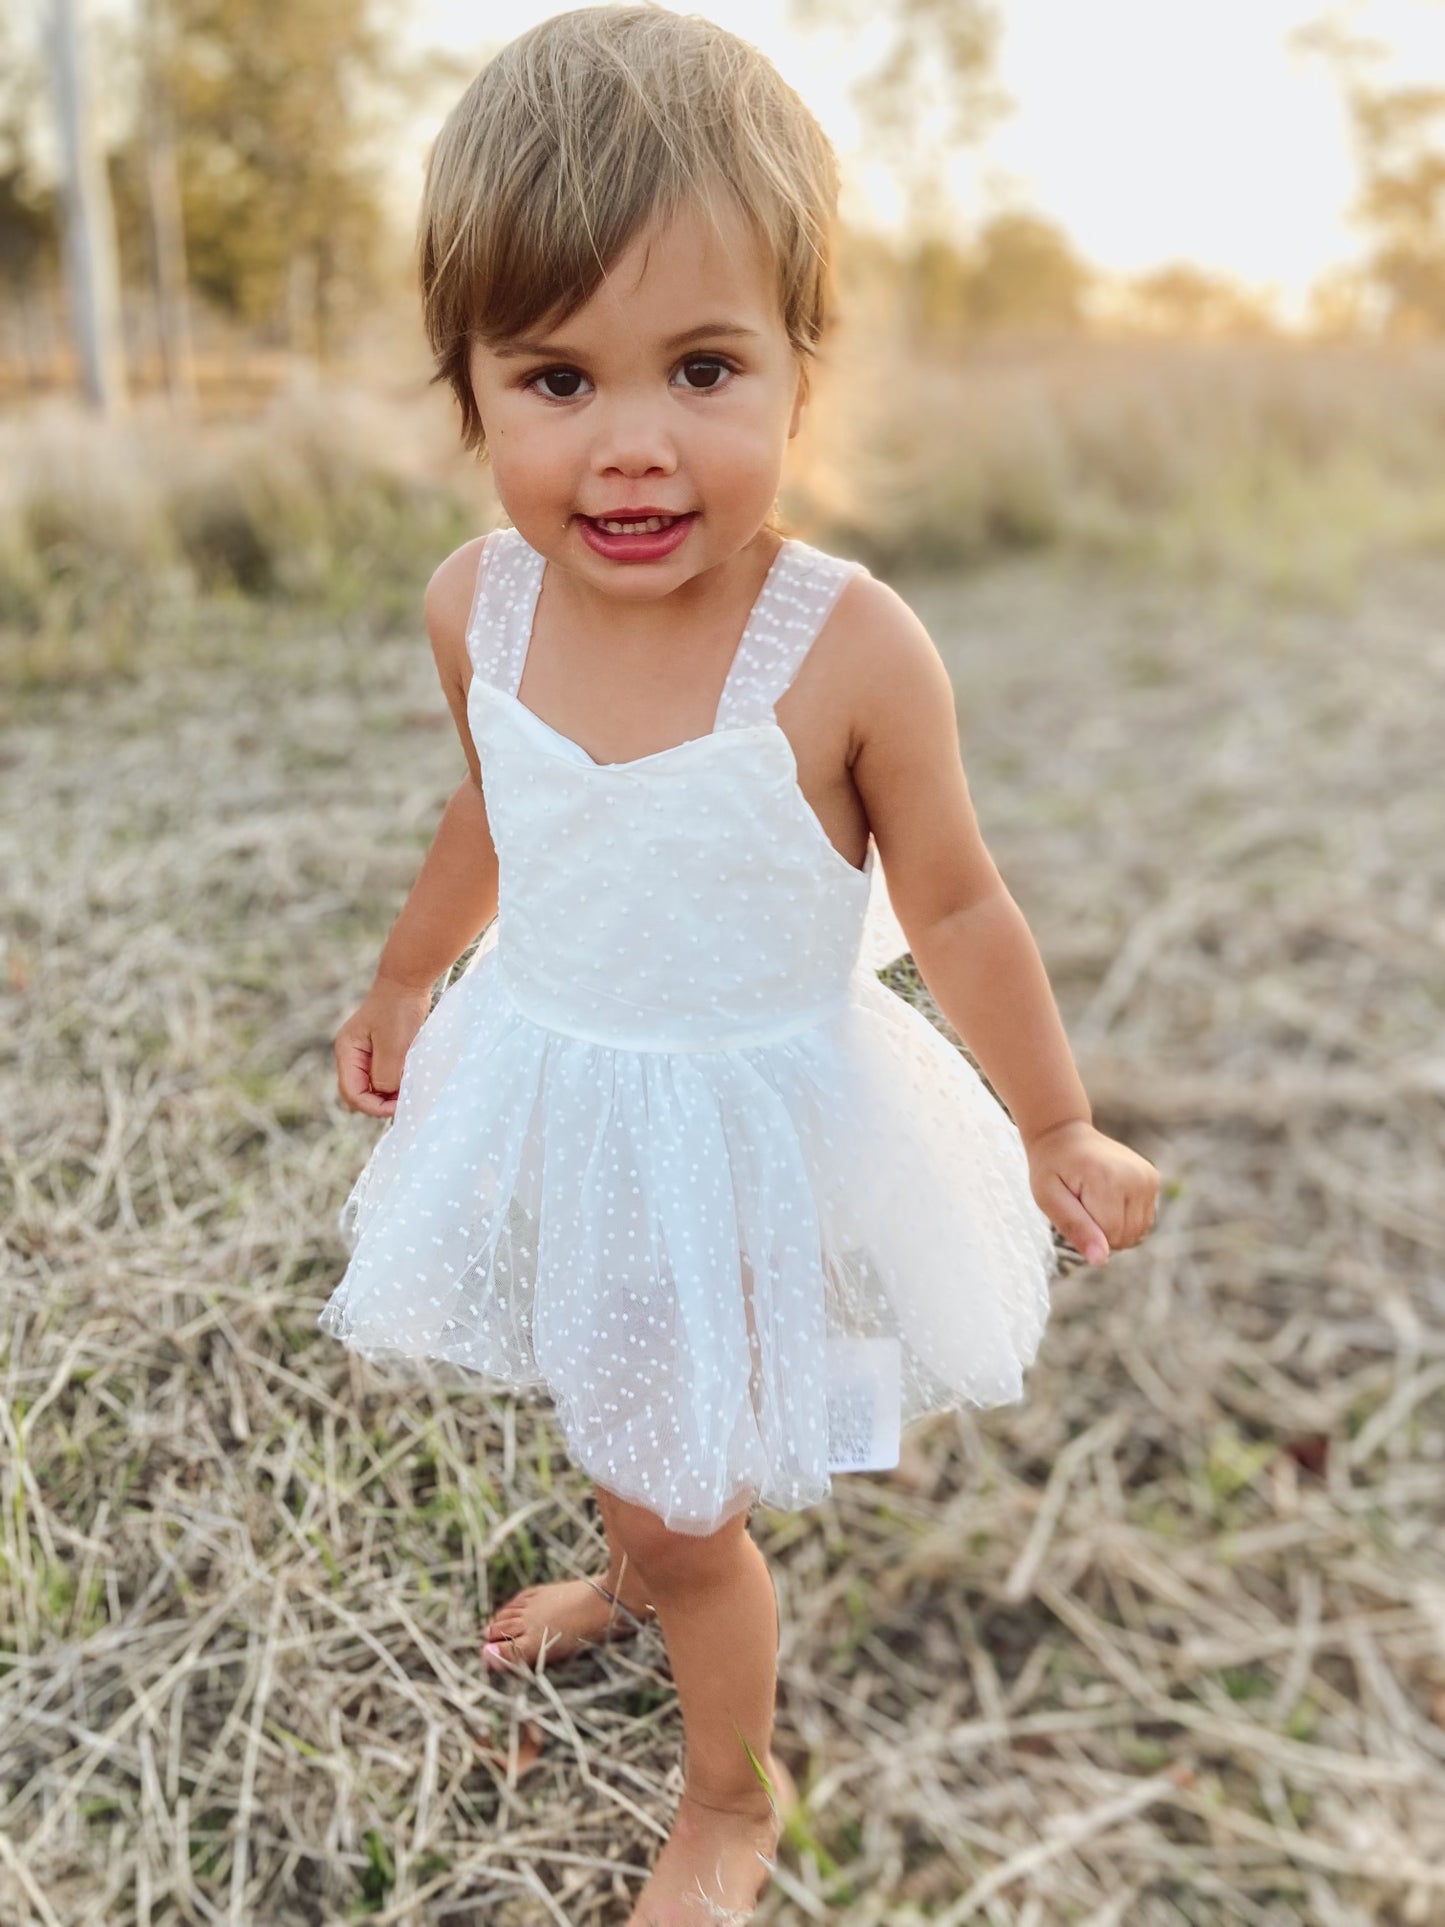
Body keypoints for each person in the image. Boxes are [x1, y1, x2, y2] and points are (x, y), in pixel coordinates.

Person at [317, 6, 1161, 1919]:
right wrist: (402, 980)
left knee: (685, 1489)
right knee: (638, 1413)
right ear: (466, 387)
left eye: (701, 367)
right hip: (565, 1072)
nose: (630, 445)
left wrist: (1056, 1122)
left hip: (761, 1105)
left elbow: (954, 906)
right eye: (553, 378)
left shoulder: (847, 649)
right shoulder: (481, 604)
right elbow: (496, 811)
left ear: (801, 371)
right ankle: (643, 1563)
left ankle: (729, 1793)